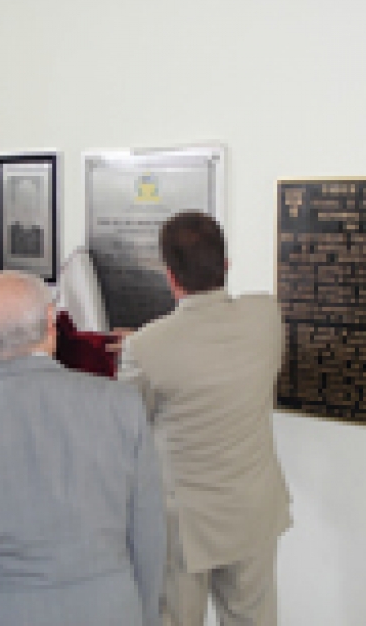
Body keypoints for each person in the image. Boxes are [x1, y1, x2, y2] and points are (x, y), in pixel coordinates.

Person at [0, 272, 165, 626]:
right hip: (111, 610)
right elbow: (148, 535)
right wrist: (144, 615)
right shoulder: (121, 405)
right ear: (50, 321)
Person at [119, 211, 292, 626]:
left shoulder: (146, 347)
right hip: (252, 508)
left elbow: (129, 428)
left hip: (184, 523)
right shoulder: (266, 316)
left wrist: (139, 347)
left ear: (169, 274)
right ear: (226, 264)